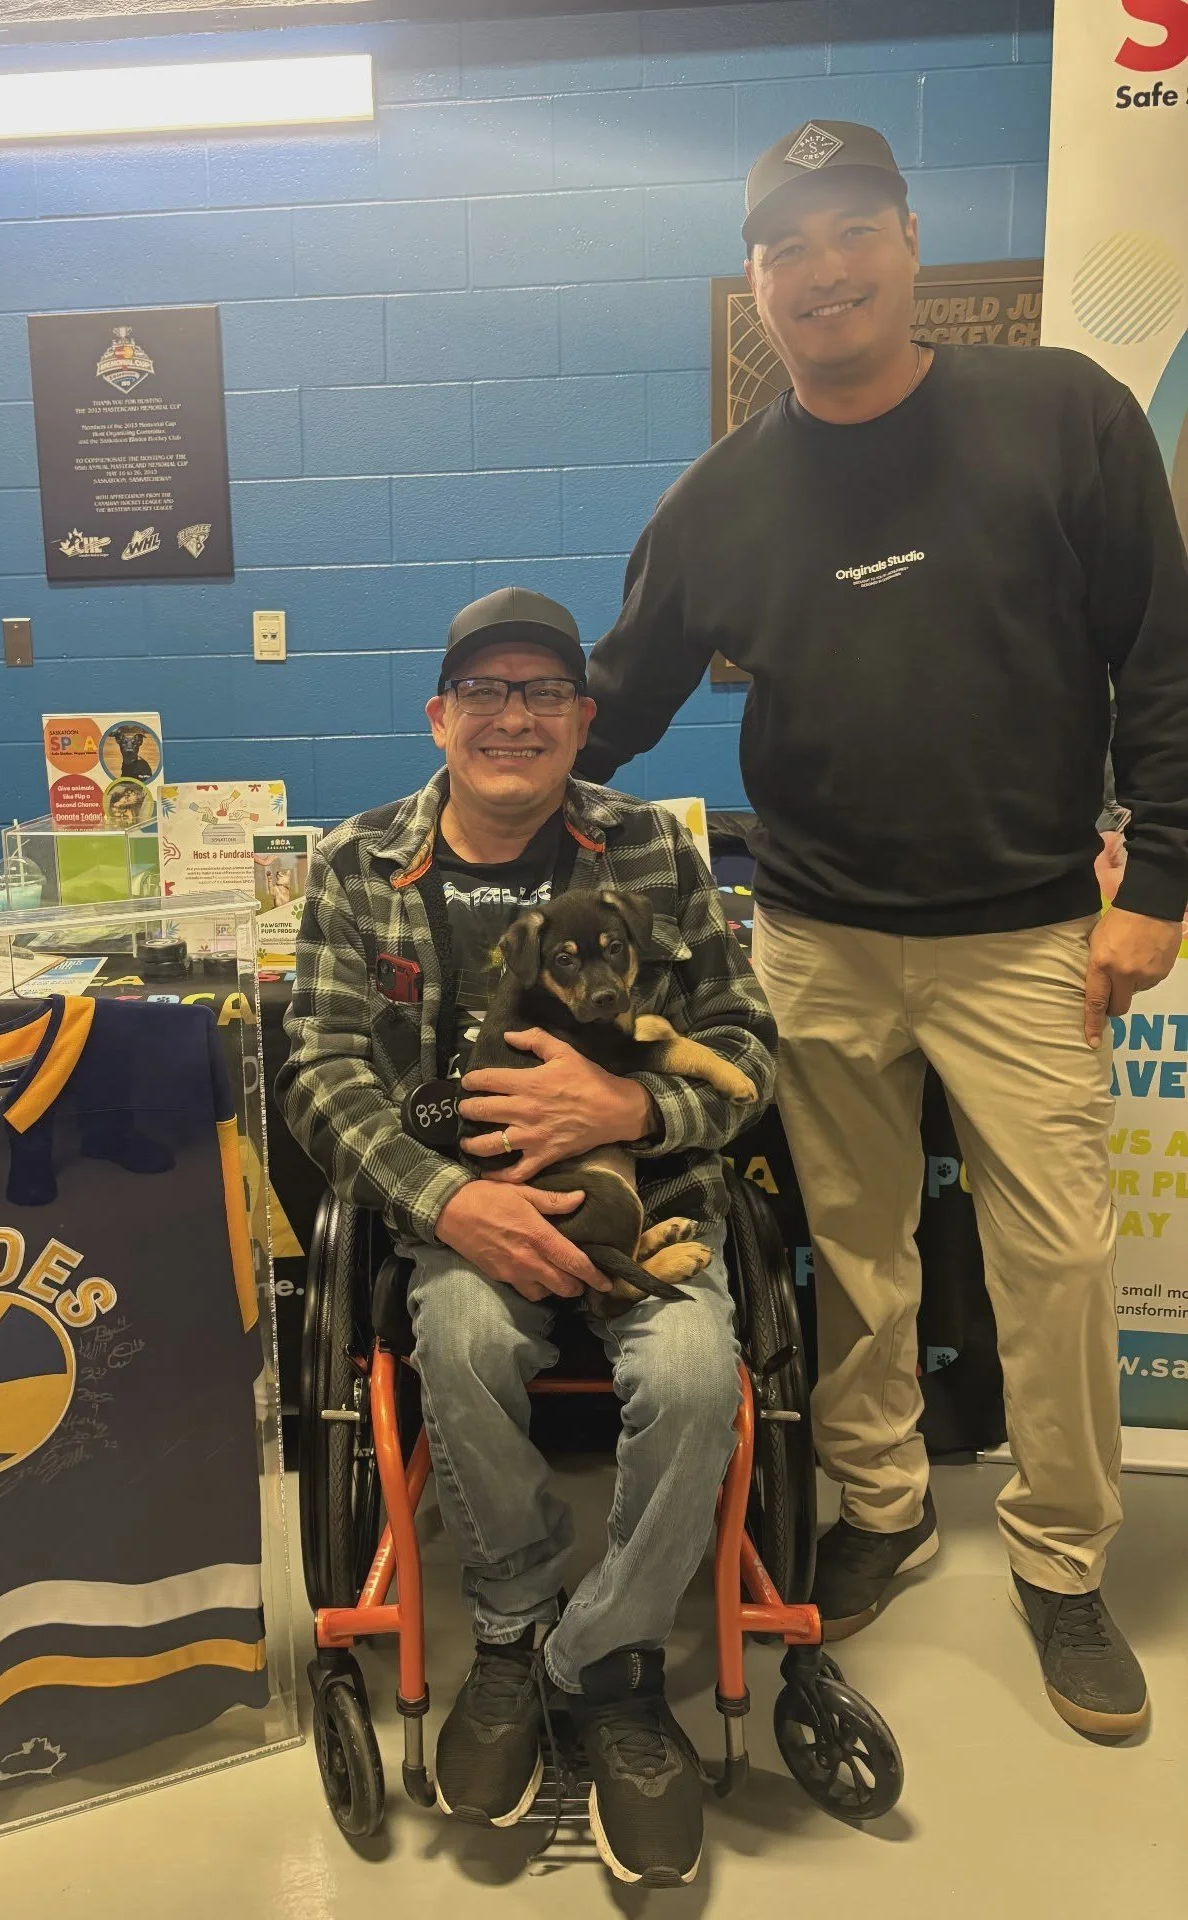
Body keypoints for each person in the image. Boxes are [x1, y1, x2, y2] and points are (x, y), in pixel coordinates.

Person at [576, 120, 1188, 1740]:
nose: (824, 268)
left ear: (910, 242)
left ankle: (1061, 1564)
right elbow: (614, 710)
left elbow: (1167, 660)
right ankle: (885, 1506)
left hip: (1028, 937)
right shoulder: (717, 500)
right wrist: (476, 804)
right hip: (816, 938)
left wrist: (1167, 886)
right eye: (788, 248)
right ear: (757, 287)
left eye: (853, 229)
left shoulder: (1067, 418)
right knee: (856, 1256)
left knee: (1055, 1259)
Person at [278, 586, 775, 1886]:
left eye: (543, 692)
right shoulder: (356, 862)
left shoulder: (657, 854)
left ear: (585, 719)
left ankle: (595, 1661)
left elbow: (745, 1054)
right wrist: (446, 1204)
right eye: (486, 694)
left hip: (649, 1207)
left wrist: (637, 1104)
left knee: (689, 1375)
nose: (514, 717)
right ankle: (508, 1621)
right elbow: (320, 1074)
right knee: (457, 1328)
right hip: (467, 1215)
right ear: (440, 718)